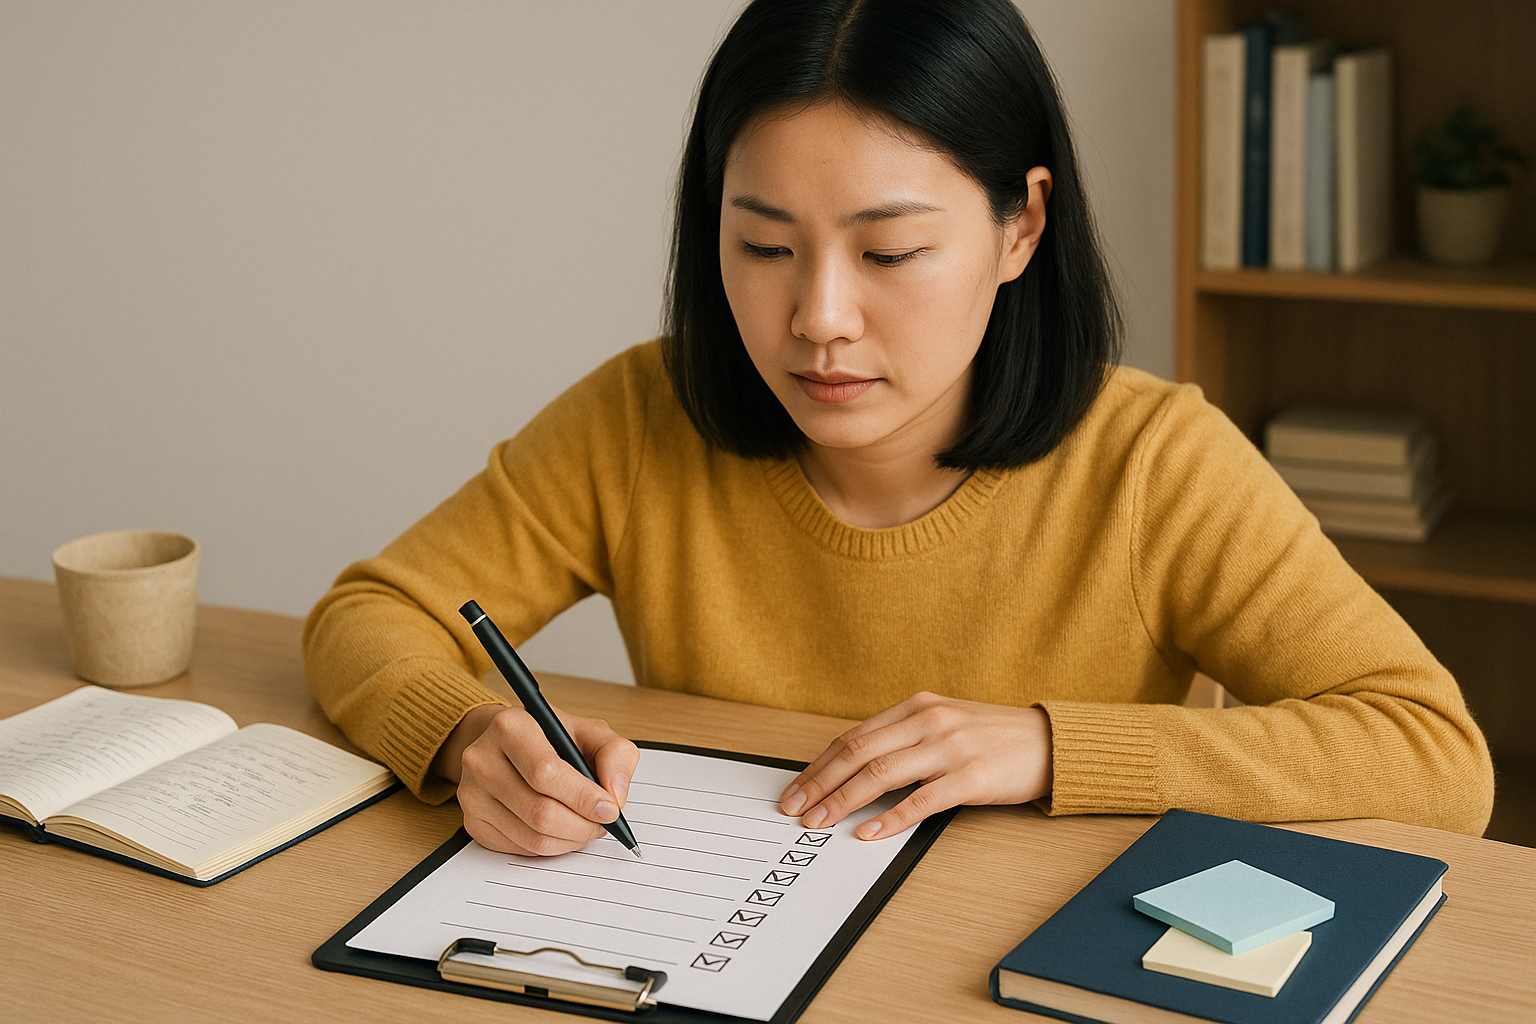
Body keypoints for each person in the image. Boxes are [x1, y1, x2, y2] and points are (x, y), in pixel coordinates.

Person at [303, 0, 1494, 858]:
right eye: (763, 245)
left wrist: (1048, 747)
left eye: (889, 252)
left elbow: (1433, 753)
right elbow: (371, 612)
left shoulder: (1153, 463)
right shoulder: (639, 417)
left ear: (1021, 227)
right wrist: (466, 737)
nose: (817, 318)